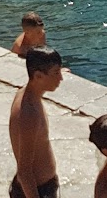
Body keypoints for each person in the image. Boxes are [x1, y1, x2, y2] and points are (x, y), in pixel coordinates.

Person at [10, 46, 64, 198]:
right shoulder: (29, 114)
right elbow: (24, 171)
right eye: (56, 73)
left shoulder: (26, 93)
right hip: (38, 190)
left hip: (43, 186)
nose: (61, 78)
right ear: (38, 76)